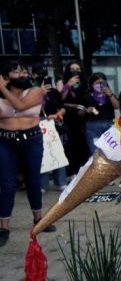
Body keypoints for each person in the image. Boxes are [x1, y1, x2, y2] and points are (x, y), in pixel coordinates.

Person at [0, 61, 55, 245]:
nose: (22, 73)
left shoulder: (35, 91)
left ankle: (39, 220)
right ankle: (3, 227)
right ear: (6, 76)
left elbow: (21, 106)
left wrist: (2, 88)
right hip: (5, 141)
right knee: (7, 185)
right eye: (16, 71)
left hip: (31, 140)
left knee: (33, 181)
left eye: (24, 70)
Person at [34, 63, 68, 192]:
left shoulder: (54, 92)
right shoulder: (31, 91)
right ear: (33, 76)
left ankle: (61, 181)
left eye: (45, 74)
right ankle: (42, 184)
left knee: (57, 151)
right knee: (42, 154)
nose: (43, 77)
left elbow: (62, 107)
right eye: (39, 74)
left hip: (53, 124)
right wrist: (40, 93)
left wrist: (58, 114)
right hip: (37, 123)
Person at [60, 60, 89, 176]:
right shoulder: (62, 82)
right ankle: (71, 171)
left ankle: (82, 170)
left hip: (83, 116)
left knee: (83, 143)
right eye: (72, 69)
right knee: (71, 144)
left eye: (78, 69)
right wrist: (68, 85)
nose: (75, 71)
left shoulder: (84, 82)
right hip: (69, 117)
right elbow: (61, 99)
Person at [80, 72, 120, 156]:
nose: (100, 85)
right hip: (92, 127)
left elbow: (117, 106)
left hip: (109, 126)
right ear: (92, 84)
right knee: (95, 153)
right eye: (97, 83)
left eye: (103, 83)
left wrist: (110, 95)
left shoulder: (109, 95)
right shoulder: (86, 97)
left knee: (110, 153)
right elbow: (79, 112)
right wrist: (86, 110)